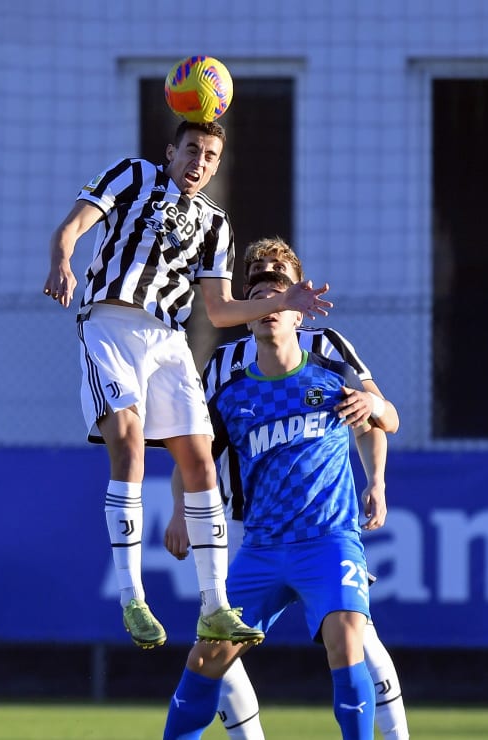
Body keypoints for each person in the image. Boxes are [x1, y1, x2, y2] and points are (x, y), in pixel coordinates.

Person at [44, 121, 334, 649]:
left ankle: (215, 606)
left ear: (217, 165)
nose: (199, 161)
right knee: (128, 444)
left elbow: (221, 311)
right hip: (110, 322)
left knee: (200, 460)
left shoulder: (216, 223)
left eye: (210, 155)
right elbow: (72, 227)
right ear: (171, 152)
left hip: (169, 338)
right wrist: (62, 261)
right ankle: (133, 598)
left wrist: (283, 301)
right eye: (192, 150)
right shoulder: (132, 175)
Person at [166, 237, 410, 739]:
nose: (269, 305)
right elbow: (197, 455)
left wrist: (377, 480)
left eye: (279, 289)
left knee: (353, 637)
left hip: (326, 537)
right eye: (257, 292)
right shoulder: (229, 377)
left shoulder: (327, 355)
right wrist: (178, 512)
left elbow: (381, 417)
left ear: (300, 306)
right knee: (210, 652)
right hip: (255, 537)